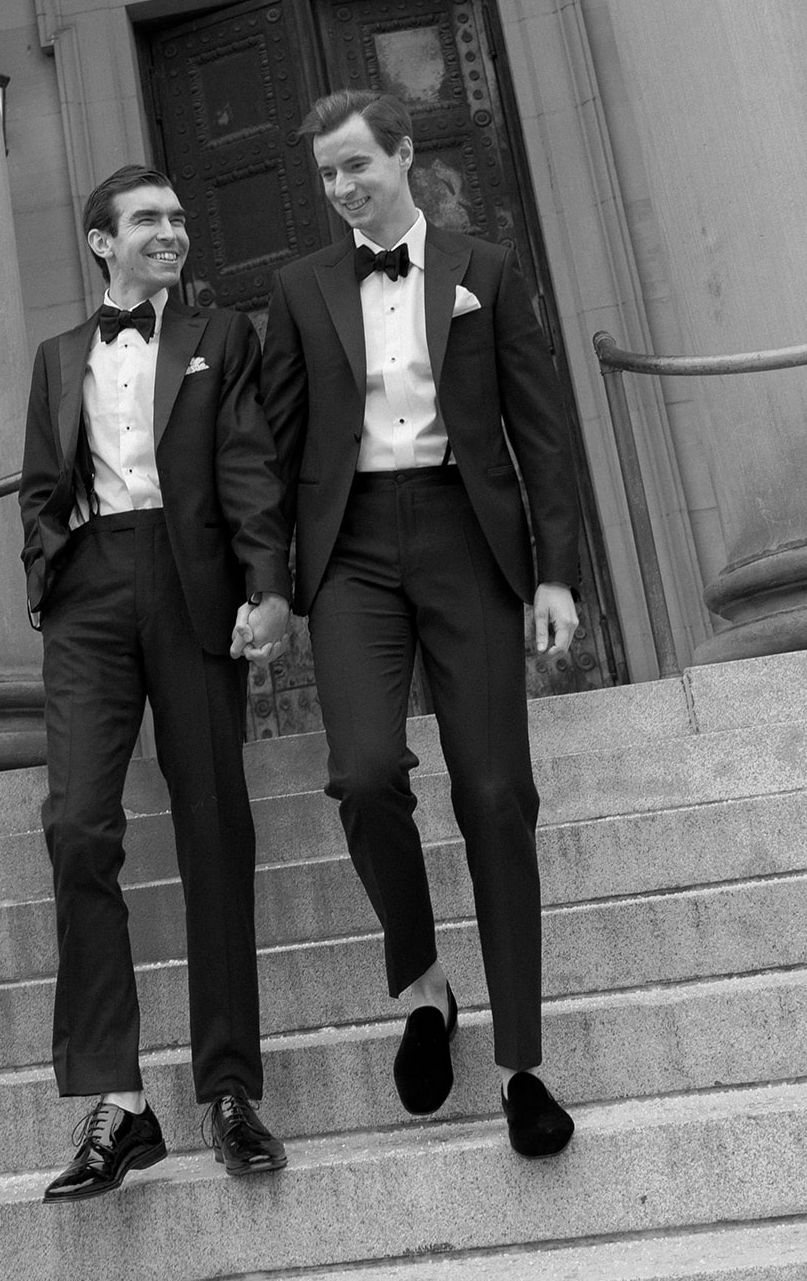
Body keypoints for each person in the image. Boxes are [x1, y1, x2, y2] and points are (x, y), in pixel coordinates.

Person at [260, 90, 578, 1157]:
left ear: (401, 154)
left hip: (465, 537)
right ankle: (423, 980)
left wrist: (554, 576)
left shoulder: (485, 271)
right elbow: (275, 445)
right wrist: (267, 577)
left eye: (357, 165)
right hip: (350, 551)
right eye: (327, 176)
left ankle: (521, 1065)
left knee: (494, 791)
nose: (344, 187)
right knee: (360, 773)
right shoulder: (300, 289)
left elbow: (542, 429)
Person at [19, 164, 292, 1200]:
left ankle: (226, 1084)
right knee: (78, 823)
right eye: (148, 220)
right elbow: (38, 483)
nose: (171, 232)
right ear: (101, 241)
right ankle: (117, 1101)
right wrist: (51, 570)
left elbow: (250, 468)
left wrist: (266, 585)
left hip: (193, 587)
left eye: (178, 218)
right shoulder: (54, 358)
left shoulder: (221, 340)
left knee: (213, 816)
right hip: (91, 595)